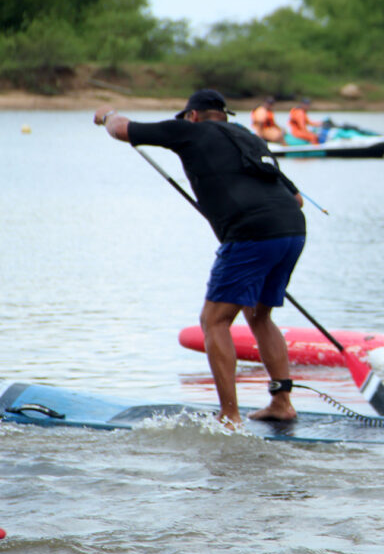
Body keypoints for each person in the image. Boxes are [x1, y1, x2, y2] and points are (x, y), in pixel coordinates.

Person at [94, 88, 306, 426]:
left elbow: (122, 129)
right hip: (292, 231)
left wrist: (107, 113)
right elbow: (296, 199)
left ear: (192, 115)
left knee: (214, 320)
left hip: (253, 233)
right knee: (259, 316)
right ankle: (281, 403)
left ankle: (230, 415)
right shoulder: (248, 138)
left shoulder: (187, 130)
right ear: (223, 116)